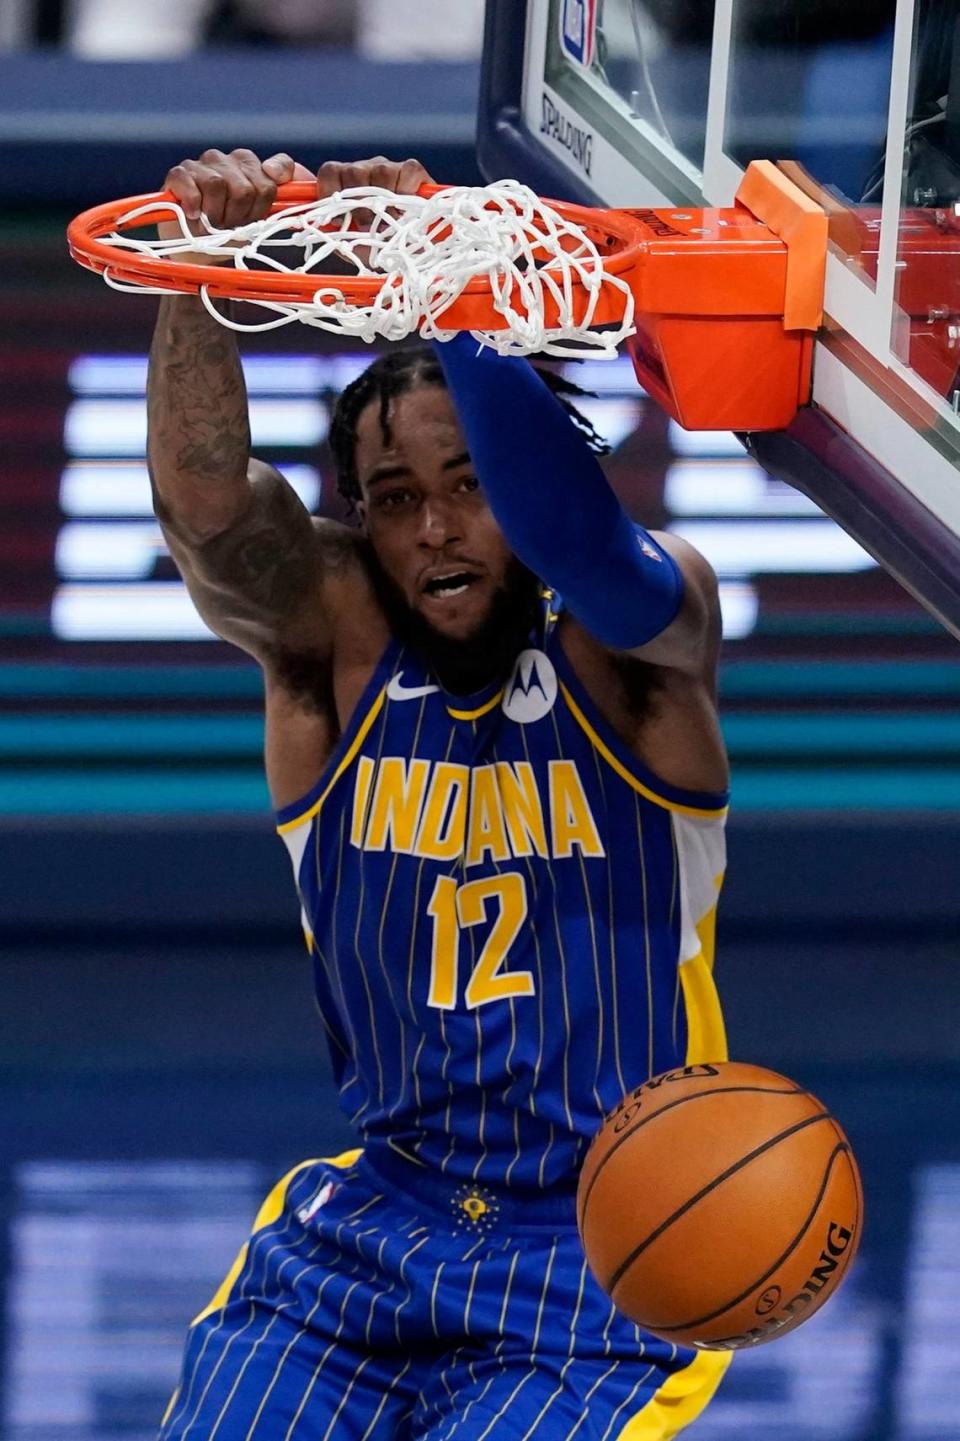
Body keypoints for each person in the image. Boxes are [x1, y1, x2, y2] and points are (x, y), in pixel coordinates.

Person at [150, 150, 732, 1439]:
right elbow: (206, 512)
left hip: (604, 1256)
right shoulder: (334, 651)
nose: (435, 531)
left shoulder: (638, 643)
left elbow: (582, 542)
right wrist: (201, 264)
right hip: (370, 1234)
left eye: (470, 486)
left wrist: (453, 277)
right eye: (397, 500)